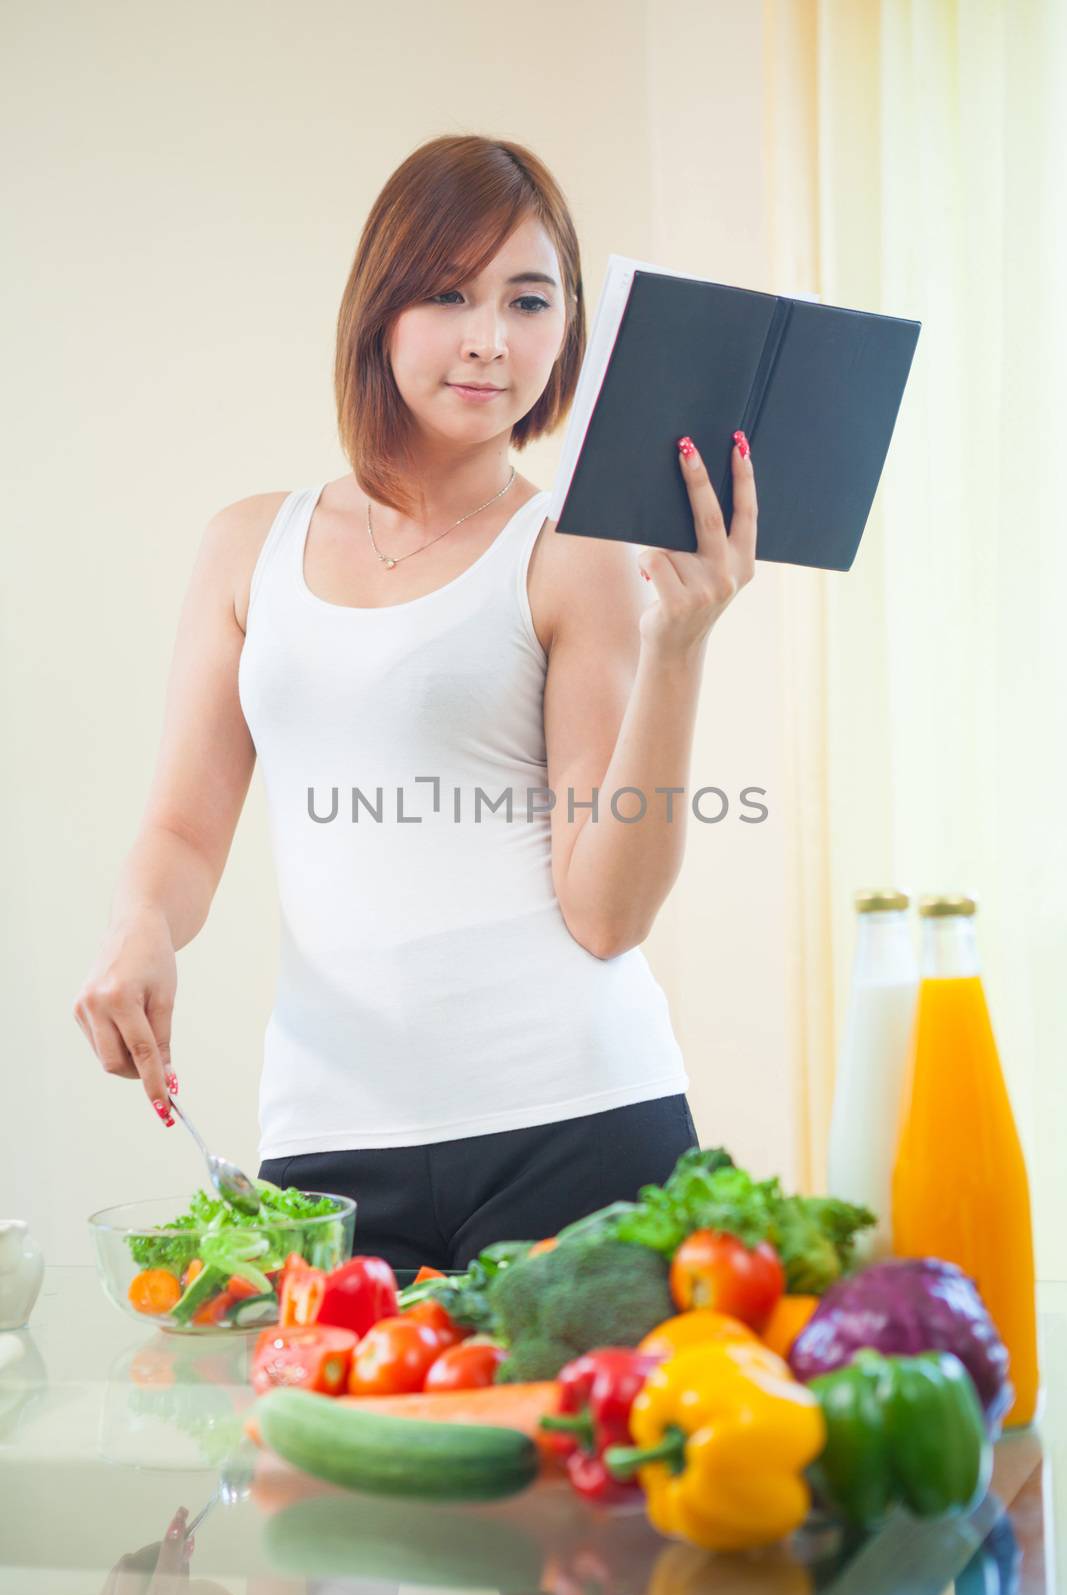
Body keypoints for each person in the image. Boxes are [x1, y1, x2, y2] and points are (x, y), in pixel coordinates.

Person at [73, 135, 758, 1271]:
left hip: (578, 1126)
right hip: (330, 1147)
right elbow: (184, 830)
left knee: (572, 1455)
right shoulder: (248, 547)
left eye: (528, 300)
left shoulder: (571, 552)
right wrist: (139, 926)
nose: (491, 339)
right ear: (380, 308)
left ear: (569, 330)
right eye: (449, 293)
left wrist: (677, 648)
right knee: (323, 1452)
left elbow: (605, 913)